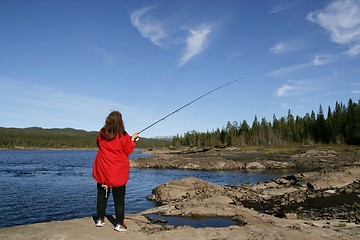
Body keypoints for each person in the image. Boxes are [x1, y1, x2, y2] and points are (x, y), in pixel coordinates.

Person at [92, 110, 139, 232]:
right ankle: (119, 224)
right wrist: (133, 140)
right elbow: (128, 150)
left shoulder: (102, 133)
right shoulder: (123, 135)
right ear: (120, 122)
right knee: (119, 199)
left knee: (101, 196)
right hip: (117, 173)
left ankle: (100, 220)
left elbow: (99, 144)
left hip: (102, 170)